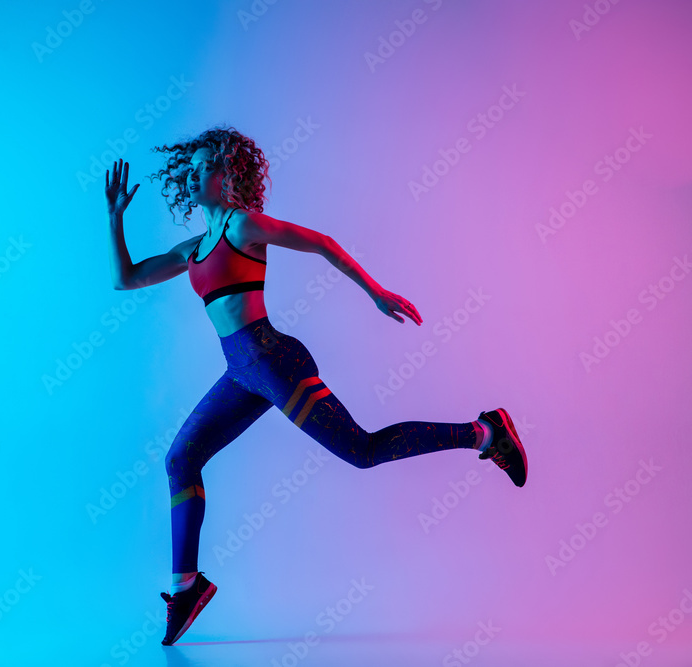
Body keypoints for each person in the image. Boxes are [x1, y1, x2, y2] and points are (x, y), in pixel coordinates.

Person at [104, 126, 528, 646]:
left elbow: (321, 243)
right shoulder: (193, 249)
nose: (192, 175)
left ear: (227, 173)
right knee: (180, 460)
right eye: (188, 168)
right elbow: (125, 278)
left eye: (203, 167)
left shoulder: (243, 226)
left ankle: (484, 432)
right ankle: (186, 586)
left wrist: (375, 293)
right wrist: (114, 219)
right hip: (241, 374)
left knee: (363, 451)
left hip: (275, 361)